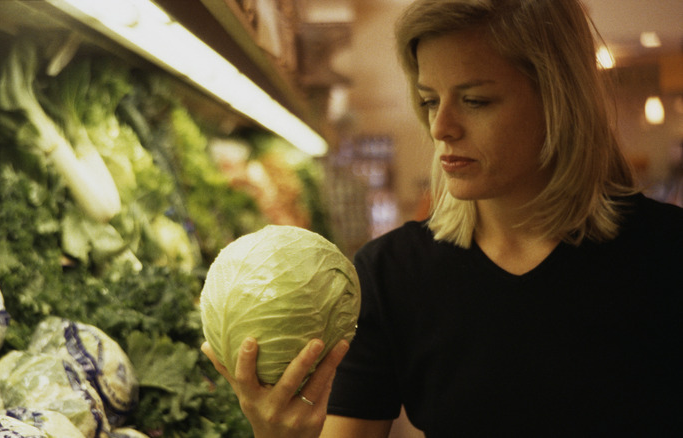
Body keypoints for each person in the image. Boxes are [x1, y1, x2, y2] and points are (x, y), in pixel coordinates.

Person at [202, 0, 683, 436]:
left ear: (559, 101)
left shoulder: (667, 255)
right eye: (430, 100)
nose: (441, 127)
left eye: (475, 100)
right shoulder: (390, 274)